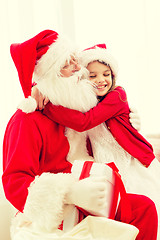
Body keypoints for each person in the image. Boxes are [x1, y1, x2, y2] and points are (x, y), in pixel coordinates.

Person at [2, 30, 158, 240]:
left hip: (93, 193)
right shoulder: (26, 120)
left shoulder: (73, 108)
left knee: (144, 208)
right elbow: (15, 181)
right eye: (68, 64)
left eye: (76, 60)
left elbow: (102, 104)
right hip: (57, 211)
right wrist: (69, 194)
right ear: (51, 74)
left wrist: (130, 118)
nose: (79, 69)